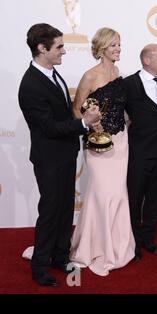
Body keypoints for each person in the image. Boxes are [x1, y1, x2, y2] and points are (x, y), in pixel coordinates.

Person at [18, 23, 101, 286]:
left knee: (65, 210)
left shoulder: (52, 73)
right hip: (49, 160)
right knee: (51, 212)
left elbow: (63, 114)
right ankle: (40, 267)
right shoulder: (30, 84)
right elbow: (49, 126)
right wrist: (84, 123)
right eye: (59, 47)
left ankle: (60, 256)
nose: (64, 51)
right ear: (42, 49)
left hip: (64, 155)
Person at [69, 27, 135, 276]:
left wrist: (127, 121)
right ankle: (94, 247)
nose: (118, 49)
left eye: (119, 44)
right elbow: (76, 109)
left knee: (118, 194)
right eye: (113, 45)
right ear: (101, 49)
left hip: (120, 141)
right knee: (101, 193)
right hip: (97, 144)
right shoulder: (90, 76)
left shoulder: (118, 72)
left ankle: (116, 246)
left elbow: (120, 107)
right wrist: (90, 125)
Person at [123, 44, 157, 260]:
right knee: (134, 199)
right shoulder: (128, 84)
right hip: (138, 153)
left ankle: (147, 238)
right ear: (146, 60)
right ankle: (131, 242)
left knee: (154, 199)